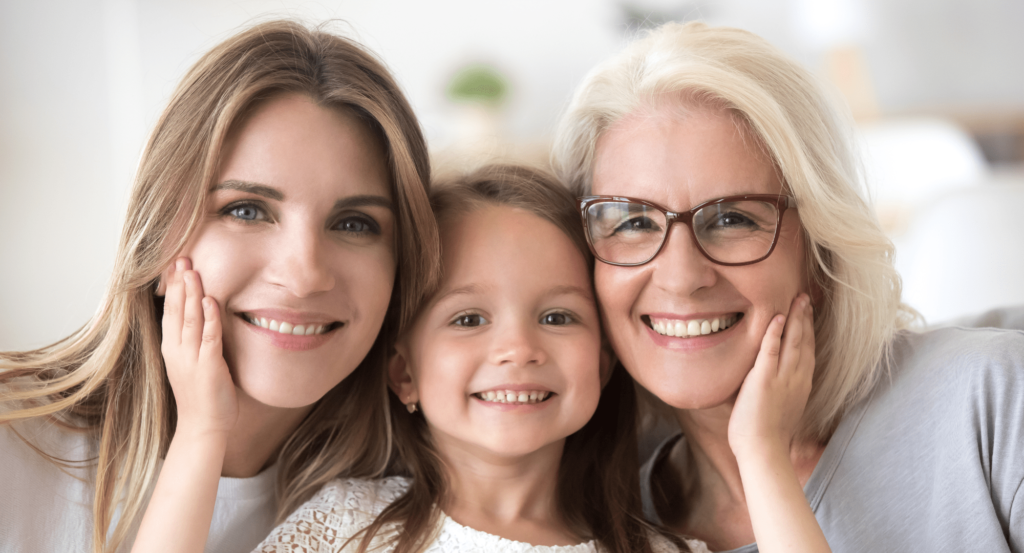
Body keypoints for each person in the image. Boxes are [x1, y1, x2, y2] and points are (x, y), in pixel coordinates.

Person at [552, 21, 1024, 552]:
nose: (681, 279)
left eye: (732, 219)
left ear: (821, 248)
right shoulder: (604, 529)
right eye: (633, 222)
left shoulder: (991, 401)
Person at [0, 20, 439, 553]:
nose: (303, 277)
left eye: (354, 223)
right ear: (159, 238)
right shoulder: (12, 443)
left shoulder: (414, 508)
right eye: (247, 210)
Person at [249, 164, 825, 553]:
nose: (519, 350)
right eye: (468, 319)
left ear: (603, 364)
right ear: (404, 373)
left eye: (557, 318)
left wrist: (760, 452)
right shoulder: (347, 529)